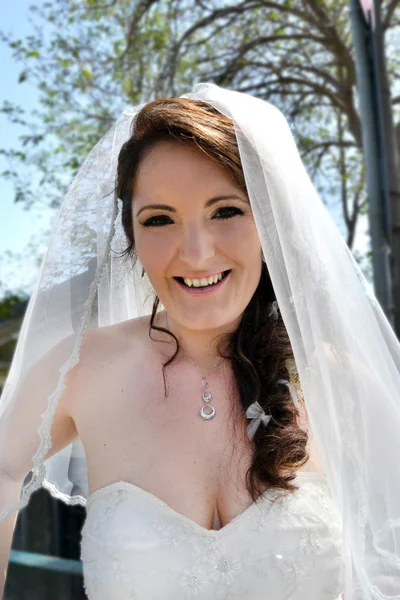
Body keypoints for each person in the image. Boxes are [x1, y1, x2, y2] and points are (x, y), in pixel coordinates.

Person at [1, 83, 400, 599]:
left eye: (225, 211)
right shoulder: (79, 371)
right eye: (160, 219)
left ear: (268, 223)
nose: (195, 252)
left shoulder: (337, 378)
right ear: (132, 236)